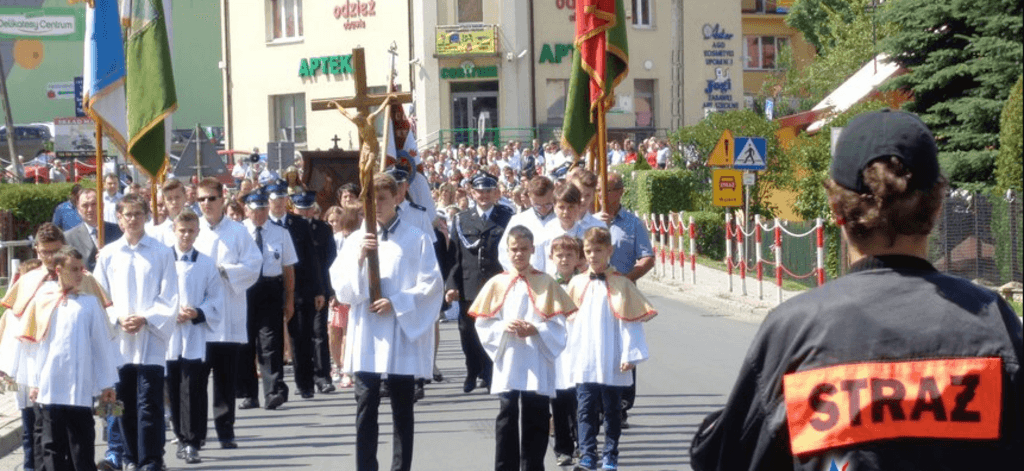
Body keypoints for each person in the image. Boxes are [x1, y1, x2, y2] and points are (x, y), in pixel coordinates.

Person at [689, 109, 1024, 471]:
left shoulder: (796, 331)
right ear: (937, 206)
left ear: (836, 208)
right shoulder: (993, 323)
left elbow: (726, 458)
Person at [331, 173, 443, 471]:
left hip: (400, 333)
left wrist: (397, 302)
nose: (376, 205)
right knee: (366, 407)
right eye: (370, 199)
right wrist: (359, 259)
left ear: (397, 198)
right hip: (367, 333)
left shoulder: (416, 238)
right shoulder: (356, 239)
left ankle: (400, 467)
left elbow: (431, 285)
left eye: (382, 198)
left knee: (402, 410)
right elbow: (342, 288)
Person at [0, 224, 109, 471]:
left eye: (54, 251)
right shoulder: (29, 282)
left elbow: (101, 334)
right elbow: (19, 328)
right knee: (39, 436)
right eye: (44, 252)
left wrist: (105, 381)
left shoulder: (86, 285)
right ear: (36, 250)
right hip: (38, 373)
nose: (49, 258)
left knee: (78, 440)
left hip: (78, 377)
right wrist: (13, 370)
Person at [470, 226, 574, 471]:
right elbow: (483, 323)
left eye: (524, 249)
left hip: (536, 357)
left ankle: (533, 466)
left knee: (536, 415)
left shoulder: (546, 282)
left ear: (532, 250)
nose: (519, 254)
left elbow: (559, 325)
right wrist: (504, 326)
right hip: (508, 357)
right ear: (507, 250)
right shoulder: (497, 283)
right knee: (506, 414)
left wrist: (536, 329)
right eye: (514, 249)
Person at [95, 194, 179, 471]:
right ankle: (130, 457)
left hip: (150, 340)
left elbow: (170, 295)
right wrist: (117, 317)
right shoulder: (107, 255)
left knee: (149, 404)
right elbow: (100, 296)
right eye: (127, 214)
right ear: (118, 219)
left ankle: (152, 459)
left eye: (137, 214)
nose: (132, 219)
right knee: (123, 403)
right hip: (119, 342)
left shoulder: (162, 252)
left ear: (146, 217)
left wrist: (146, 317)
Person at [566, 227, 656, 471]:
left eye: (598, 250)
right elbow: (569, 322)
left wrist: (630, 354)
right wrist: (568, 354)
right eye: (588, 251)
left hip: (613, 355)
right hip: (586, 356)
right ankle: (587, 454)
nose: (593, 256)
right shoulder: (576, 283)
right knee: (584, 407)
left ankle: (610, 454)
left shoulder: (622, 284)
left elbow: (630, 322)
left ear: (609, 251)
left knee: (612, 409)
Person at [22, 247, 120, 471]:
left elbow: (101, 346)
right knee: (52, 446)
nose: (79, 274)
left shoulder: (90, 304)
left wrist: (106, 383)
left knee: (81, 446)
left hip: (79, 389)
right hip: (50, 387)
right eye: (74, 269)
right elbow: (35, 345)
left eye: (81, 269)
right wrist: (34, 381)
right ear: (58, 270)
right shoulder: (44, 301)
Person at [192, 177, 261, 449]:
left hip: (228, 316)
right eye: (201, 199)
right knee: (196, 382)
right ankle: (195, 435)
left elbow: (254, 265)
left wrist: (224, 271)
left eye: (211, 198)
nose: (207, 203)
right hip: (198, 317)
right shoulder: (191, 231)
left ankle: (225, 431)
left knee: (224, 380)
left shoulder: (238, 232)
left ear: (223, 199)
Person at [445, 172, 515, 394]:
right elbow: (454, 256)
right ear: (472, 193)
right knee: (468, 332)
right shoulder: (461, 218)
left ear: (496, 193)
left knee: (494, 330)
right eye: (479, 191)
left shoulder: (507, 217)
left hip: (497, 283)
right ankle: (472, 371)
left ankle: (490, 372)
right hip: (470, 284)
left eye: (488, 191)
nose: (484, 195)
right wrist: (451, 285)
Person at [596, 171, 656, 428]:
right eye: (599, 190)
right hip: (592, 293)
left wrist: (629, 278)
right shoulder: (588, 220)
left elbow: (647, 257)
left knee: (625, 349)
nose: (602, 195)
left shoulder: (632, 223)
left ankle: (621, 405)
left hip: (622, 294)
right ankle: (596, 404)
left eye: (608, 190)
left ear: (619, 192)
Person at [166, 211, 224, 465]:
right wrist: (170, 313)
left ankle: (193, 439)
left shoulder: (206, 263)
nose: (186, 235)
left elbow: (216, 298)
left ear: (198, 232)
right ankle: (181, 435)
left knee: (193, 387)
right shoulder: (163, 260)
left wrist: (198, 312)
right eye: (182, 230)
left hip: (194, 333)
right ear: (174, 231)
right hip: (168, 334)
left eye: (191, 231)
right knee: (174, 387)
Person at [264, 180, 326, 399]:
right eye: (274, 199)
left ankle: (305, 384)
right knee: (271, 340)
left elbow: (311, 258)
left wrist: (319, 289)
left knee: (301, 338)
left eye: (282, 198)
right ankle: (276, 386)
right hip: (270, 288)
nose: (279, 203)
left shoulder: (299, 223)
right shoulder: (262, 224)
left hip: (300, 288)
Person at [239, 188, 297, 410]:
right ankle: (249, 394)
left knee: (270, 341)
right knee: (245, 343)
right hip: (244, 289)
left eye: (264, 208)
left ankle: (273, 390)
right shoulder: (239, 232)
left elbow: (288, 267)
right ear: (247, 210)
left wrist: (289, 298)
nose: (260, 213)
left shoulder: (280, 232)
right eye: (256, 210)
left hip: (270, 289)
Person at [291, 191, 338, 394]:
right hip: (296, 290)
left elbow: (330, 261)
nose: (305, 213)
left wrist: (329, 290)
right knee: (299, 336)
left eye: (308, 208)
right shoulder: (288, 228)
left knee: (319, 333)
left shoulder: (323, 229)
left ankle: (323, 377)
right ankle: (303, 381)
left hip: (319, 288)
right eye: (301, 209)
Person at [549, 235, 585, 466]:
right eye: (559, 255)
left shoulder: (584, 283)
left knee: (582, 402)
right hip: (557, 351)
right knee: (559, 401)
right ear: (552, 257)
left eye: (569, 255)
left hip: (580, 348)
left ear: (578, 259)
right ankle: (563, 448)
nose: (564, 259)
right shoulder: (546, 284)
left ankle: (584, 444)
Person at [325, 204, 361, 388]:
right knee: (334, 330)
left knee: (348, 331)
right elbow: (333, 268)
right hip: (337, 292)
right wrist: (333, 292)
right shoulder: (335, 239)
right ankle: (337, 364)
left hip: (356, 294)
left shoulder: (360, 238)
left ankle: (348, 369)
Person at [497, 176, 557, 272]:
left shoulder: (562, 220)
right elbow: (504, 252)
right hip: (527, 279)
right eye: (537, 204)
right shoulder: (519, 220)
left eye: (548, 204)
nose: (543, 209)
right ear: (529, 196)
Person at [64, 188, 123, 272]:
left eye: (94, 204)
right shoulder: (69, 237)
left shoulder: (118, 231)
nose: (90, 209)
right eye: (85, 205)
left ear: (102, 206)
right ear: (78, 209)